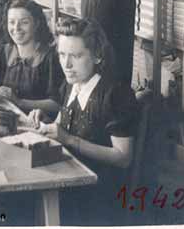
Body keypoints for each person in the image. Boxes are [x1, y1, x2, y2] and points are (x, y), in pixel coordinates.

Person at [31, 18, 137, 224]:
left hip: (98, 194)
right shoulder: (72, 84)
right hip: (68, 176)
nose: (67, 64)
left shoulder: (116, 94)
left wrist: (69, 139)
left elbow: (123, 158)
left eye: (76, 56)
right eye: (62, 54)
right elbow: (61, 126)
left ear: (97, 56)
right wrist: (45, 121)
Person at [0, 0, 64, 114]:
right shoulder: (4, 52)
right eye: (11, 22)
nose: (16, 28)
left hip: (38, 123)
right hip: (6, 117)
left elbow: (57, 104)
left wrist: (19, 102)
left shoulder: (51, 58)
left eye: (24, 22)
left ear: (37, 23)